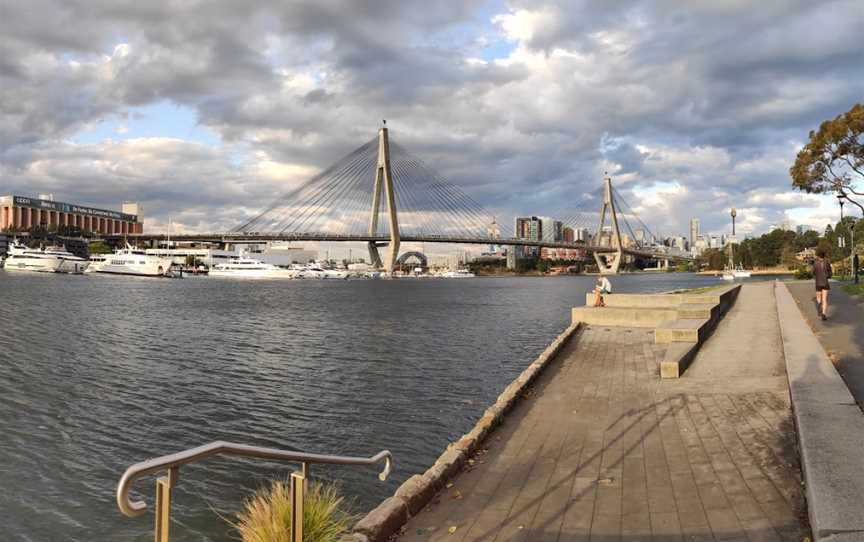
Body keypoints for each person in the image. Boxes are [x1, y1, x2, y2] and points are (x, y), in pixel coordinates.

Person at [813, 248, 832, 320]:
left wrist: (816, 276)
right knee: (824, 299)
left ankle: (819, 305)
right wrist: (827, 276)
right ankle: (824, 314)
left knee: (818, 297)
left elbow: (813, 273)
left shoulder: (815, 263)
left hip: (818, 283)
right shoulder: (827, 263)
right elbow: (830, 273)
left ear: (818, 256)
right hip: (825, 283)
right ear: (824, 256)